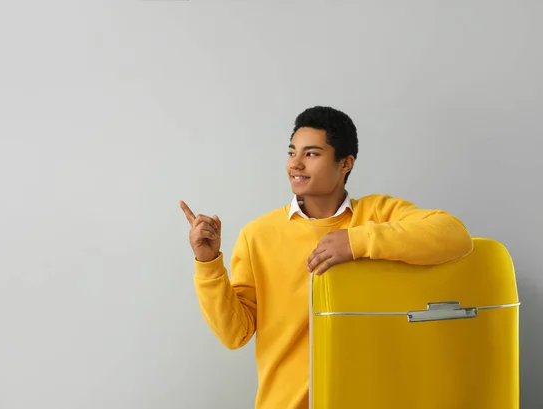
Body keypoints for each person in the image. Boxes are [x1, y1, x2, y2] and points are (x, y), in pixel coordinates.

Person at [179, 106, 473, 409]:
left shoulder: (378, 214)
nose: (296, 164)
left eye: (311, 154)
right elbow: (234, 334)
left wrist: (357, 241)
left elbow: (454, 234)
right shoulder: (258, 235)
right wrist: (208, 263)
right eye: (292, 152)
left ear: (345, 163)